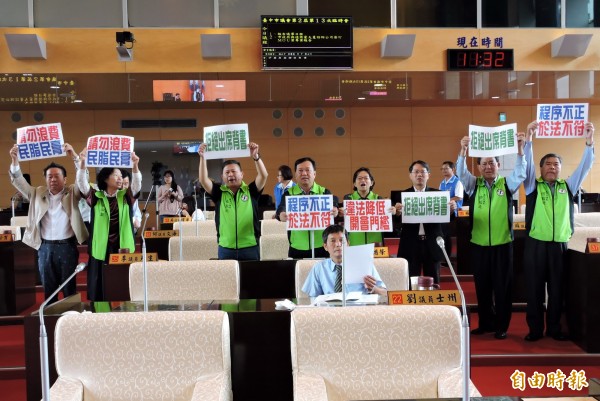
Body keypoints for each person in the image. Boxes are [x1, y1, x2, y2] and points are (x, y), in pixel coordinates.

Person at [522, 120, 595, 342]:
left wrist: (589, 141)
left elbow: (585, 166)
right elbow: (526, 166)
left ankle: (553, 328)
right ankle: (535, 330)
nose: (552, 168)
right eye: (548, 164)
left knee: (557, 290)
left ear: (560, 169)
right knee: (534, 291)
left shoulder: (568, 187)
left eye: (556, 165)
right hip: (536, 245)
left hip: (560, 245)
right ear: (542, 168)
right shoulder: (533, 187)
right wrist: (529, 138)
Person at [456, 132, 527, 340]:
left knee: (502, 287)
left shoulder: (506, 184)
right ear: (478, 167)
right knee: (483, 286)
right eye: (484, 164)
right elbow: (461, 173)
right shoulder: (473, 185)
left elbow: (521, 172)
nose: (488, 166)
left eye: (492, 163)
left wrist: (520, 150)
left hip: (503, 244)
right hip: (479, 245)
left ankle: (501, 326)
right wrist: (463, 150)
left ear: (498, 165)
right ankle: (486, 323)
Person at [9, 143, 88, 304]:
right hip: (45, 247)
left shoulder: (73, 192)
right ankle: (49, 321)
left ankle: (69, 321)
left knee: (68, 288)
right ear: (45, 179)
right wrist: (15, 161)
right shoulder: (37, 193)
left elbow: (83, 182)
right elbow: (19, 181)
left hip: (67, 246)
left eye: (57, 176)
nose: (52, 179)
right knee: (48, 288)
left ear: (65, 179)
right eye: (49, 176)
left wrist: (75, 157)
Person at [77, 150, 141, 301]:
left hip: (122, 246)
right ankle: (100, 312)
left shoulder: (126, 196)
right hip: (101, 246)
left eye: (121, 176)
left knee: (122, 283)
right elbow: (82, 184)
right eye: (116, 175)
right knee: (100, 283)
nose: (120, 179)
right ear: (106, 178)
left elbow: (137, 186)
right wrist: (82, 163)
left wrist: (135, 166)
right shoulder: (96, 197)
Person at [198, 142, 267, 260]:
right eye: (227, 172)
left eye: (234, 171)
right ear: (222, 177)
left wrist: (256, 157)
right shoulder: (219, 193)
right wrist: (203, 157)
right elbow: (203, 180)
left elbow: (263, 175)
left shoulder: (251, 191)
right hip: (225, 248)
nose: (230, 174)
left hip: (250, 247)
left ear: (242, 174)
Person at [394, 160, 456, 284]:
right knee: (411, 281)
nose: (419, 175)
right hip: (410, 244)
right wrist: (397, 213)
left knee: (433, 282)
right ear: (410, 175)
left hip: (432, 243)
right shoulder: (401, 196)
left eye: (423, 172)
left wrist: (451, 210)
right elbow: (396, 224)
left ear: (429, 175)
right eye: (416, 172)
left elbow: (448, 220)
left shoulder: (439, 195)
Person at [276, 157, 339, 259]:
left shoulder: (324, 192)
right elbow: (281, 208)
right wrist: (281, 214)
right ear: (295, 175)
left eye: (307, 170)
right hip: (297, 247)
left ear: (314, 174)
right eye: (300, 171)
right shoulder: (289, 194)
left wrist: (335, 209)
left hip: (322, 247)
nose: (304, 174)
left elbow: (334, 201)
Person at [302, 224, 387, 297]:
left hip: (359, 311)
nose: (338, 244)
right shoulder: (319, 268)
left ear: (348, 244)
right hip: (330, 313)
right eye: (333, 241)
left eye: (341, 240)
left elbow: (384, 293)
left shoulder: (364, 264)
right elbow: (313, 298)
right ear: (325, 246)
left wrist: (373, 288)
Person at [341, 167, 396, 246]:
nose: (363, 180)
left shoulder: (379, 199)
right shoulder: (349, 199)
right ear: (354, 183)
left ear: (372, 182)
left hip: (375, 244)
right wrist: (341, 211)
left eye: (366, 178)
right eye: (359, 178)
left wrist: (392, 210)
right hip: (354, 243)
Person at [439, 161, 464, 256]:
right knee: (443, 234)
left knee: (447, 235)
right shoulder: (442, 183)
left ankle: (448, 257)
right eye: (442, 169)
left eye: (446, 168)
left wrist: (446, 200)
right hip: (444, 212)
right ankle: (443, 256)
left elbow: (459, 197)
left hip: (454, 213)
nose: (444, 170)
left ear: (453, 169)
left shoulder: (457, 182)